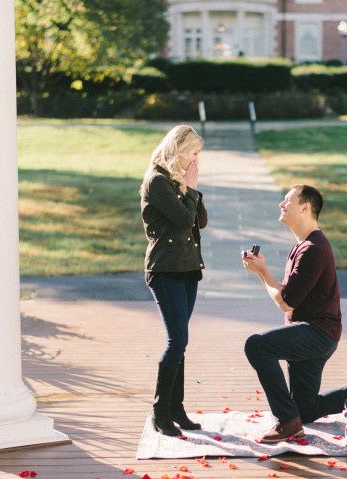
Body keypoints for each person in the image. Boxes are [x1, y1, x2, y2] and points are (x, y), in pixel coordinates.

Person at [242, 184, 347, 443]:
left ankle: (287, 423)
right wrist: (263, 272)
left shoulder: (313, 248)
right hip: (315, 334)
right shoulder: (302, 246)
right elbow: (288, 294)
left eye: (287, 200)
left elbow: (286, 302)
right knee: (306, 409)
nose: (281, 204)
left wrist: (262, 273)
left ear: (305, 207)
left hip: (317, 334)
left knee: (257, 346)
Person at [140, 125, 207, 437]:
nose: (196, 159)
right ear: (179, 150)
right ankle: (159, 411)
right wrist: (190, 189)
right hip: (165, 271)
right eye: (193, 152)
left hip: (187, 269)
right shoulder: (157, 181)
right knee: (176, 341)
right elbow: (183, 220)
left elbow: (200, 221)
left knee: (180, 342)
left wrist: (191, 188)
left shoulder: (178, 181)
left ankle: (176, 407)